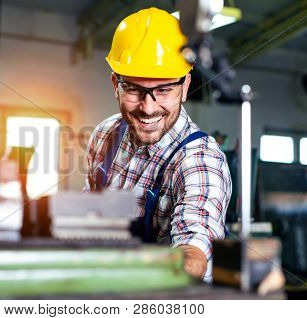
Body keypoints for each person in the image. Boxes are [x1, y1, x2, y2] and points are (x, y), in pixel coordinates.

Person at [84, 7, 232, 283]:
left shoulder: (199, 161)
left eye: (163, 89)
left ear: (185, 86)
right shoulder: (104, 135)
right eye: (134, 89)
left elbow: (196, 252)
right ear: (115, 84)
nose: (148, 107)